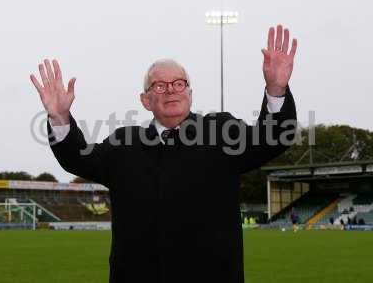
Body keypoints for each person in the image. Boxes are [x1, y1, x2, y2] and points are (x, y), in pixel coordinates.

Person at [30, 24, 298, 283]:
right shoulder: (124, 144)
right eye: (159, 85)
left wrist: (276, 90)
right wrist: (60, 116)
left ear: (190, 94)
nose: (170, 89)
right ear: (145, 100)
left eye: (179, 83)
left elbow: (272, 138)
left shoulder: (221, 132)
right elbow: (77, 158)